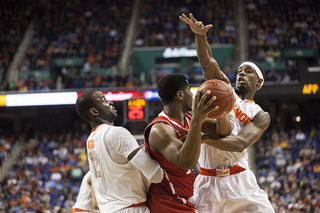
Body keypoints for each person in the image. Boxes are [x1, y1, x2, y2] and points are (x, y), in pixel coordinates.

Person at [180, 13, 275, 213]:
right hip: (207, 181)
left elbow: (240, 143)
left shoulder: (259, 114)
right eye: (240, 70)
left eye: (248, 71)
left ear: (258, 82)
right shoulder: (223, 89)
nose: (242, 73)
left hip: (239, 179)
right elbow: (207, 62)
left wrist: (204, 139)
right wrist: (200, 36)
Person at [144, 73, 232, 212]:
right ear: (180, 95)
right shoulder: (160, 130)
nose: (192, 95)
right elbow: (187, 162)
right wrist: (197, 123)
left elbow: (223, 131)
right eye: (189, 90)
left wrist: (219, 110)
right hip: (166, 202)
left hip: (183, 197)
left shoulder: (188, 117)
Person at [75, 90, 164, 213]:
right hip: (131, 208)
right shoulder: (116, 133)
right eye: (104, 100)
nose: (110, 102)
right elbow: (156, 175)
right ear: (94, 111)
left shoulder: (91, 140)